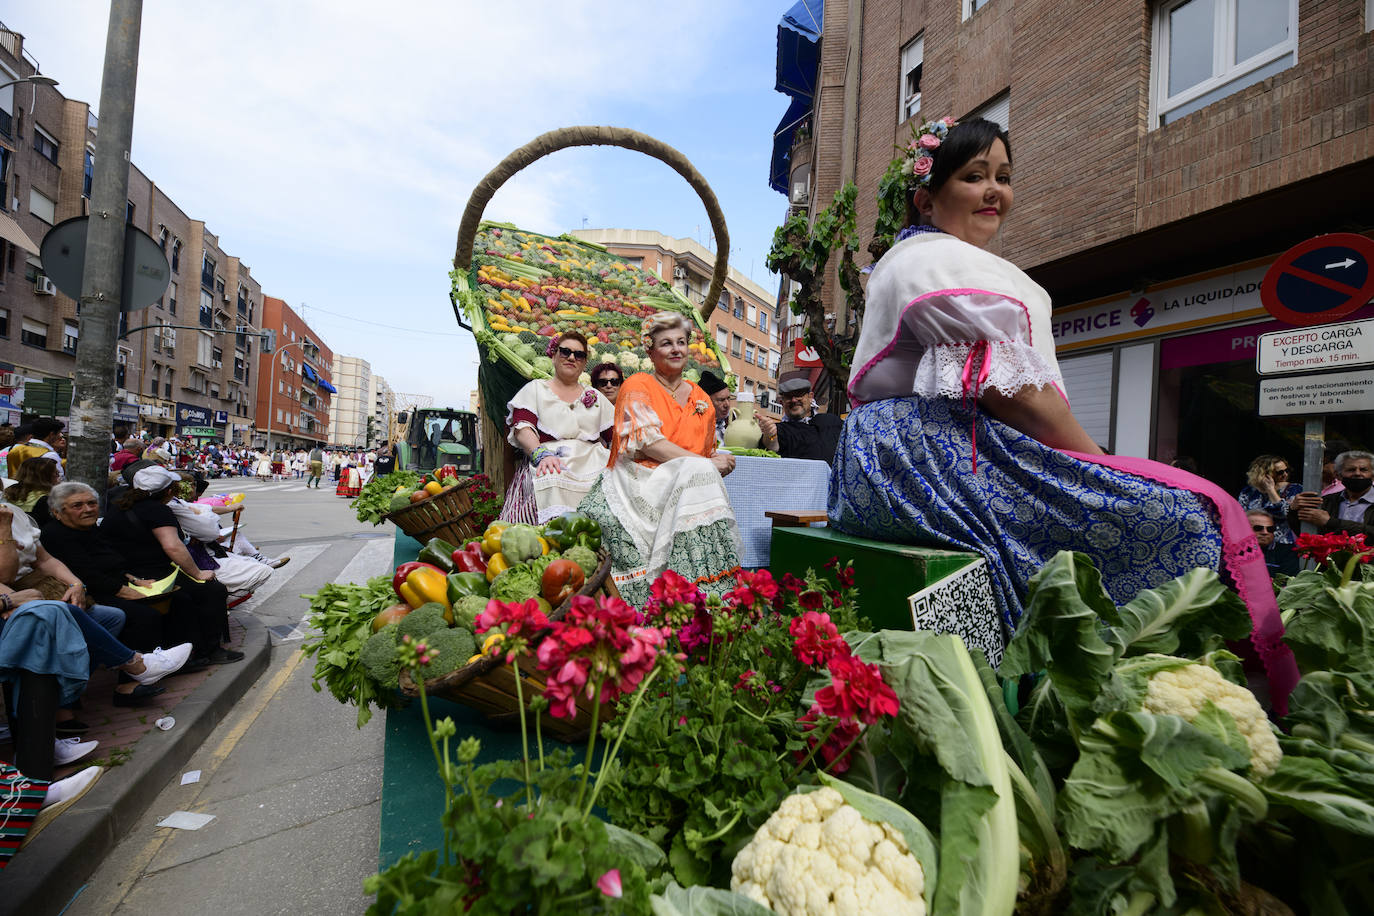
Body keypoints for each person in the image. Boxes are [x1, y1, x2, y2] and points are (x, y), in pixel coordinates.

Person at [829, 116, 1295, 700]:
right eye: (974, 177)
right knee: (1181, 515)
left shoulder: (926, 257)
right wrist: (1096, 461)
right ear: (926, 199)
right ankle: (1117, 687)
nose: (994, 192)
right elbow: (1012, 392)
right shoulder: (935, 261)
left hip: (903, 454)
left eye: (1003, 177)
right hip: (920, 455)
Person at [577, 312, 742, 606]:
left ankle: (705, 597)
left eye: (681, 342)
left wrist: (717, 462)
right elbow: (649, 443)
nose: (676, 349)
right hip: (640, 479)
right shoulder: (638, 385)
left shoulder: (701, 397)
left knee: (700, 486)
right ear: (650, 350)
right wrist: (704, 464)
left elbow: (707, 453)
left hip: (683, 483)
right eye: (666, 343)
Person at [99, 466, 244, 667]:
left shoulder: (119, 506)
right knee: (212, 590)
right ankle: (210, 650)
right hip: (151, 575)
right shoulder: (157, 510)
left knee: (187, 598)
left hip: (127, 572)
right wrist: (198, 573)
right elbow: (172, 546)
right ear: (168, 491)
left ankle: (191, 652)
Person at [505, 332, 615, 524]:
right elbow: (522, 428)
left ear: (584, 363)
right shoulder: (536, 389)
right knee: (552, 475)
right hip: (549, 458)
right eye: (565, 352)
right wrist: (540, 455)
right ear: (554, 355)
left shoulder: (595, 396)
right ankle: (551, 535)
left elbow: (616, 435)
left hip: (592, 461)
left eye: (579, 355)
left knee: (615, 482)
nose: (572, 357)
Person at [757, 376, 843, 464]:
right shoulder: (780, 430)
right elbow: (771, 447)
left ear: (810, 397)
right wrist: (770, 435)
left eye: (799, 394)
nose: (794, 400)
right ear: (782, 403)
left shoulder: (832, 421)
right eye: (788, 396)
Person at [1289, 450, 1374, 537]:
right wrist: (1294, 510)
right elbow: (1306, 533)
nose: (1357, 473)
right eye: (1351, 470)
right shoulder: (1326, 501)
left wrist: (1330, 522)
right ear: (1338, 475)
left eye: (1364, 470)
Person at [1237, 455, 1301, 546]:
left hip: (1282, 544)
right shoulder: (1249, 492)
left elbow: (1285, 513)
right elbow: (1241, 518)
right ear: (1265, 474)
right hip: (1254, 543)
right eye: (1280, 472)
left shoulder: (1294, 489)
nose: (1285, 474)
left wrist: (1271, 490)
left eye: (1287, 470)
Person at [5, 457, 61, 527]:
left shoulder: (10, 494)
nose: (58, 475)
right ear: (45, 477)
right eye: (56, 472)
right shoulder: (46, 500)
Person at [1247, 510, 1299, 577]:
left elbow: (1287, 580)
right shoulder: (1235, 551)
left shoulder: (1287, 553)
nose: (1265, 532)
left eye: (1270, 529)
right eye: (1258, 528)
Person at [697, 371, 734, 446]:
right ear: (706, 402)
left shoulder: (733, 418)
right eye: (721, 400)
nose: (727, 405)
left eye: (728, 398)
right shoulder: (696, 424)